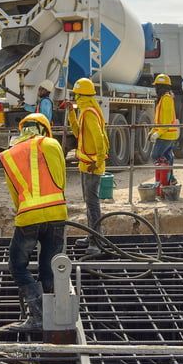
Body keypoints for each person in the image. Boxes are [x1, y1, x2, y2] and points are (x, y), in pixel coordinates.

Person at [0, 113, 67, 332]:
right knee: (49, 268)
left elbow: (14, 192)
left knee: (17, 266)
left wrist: (26, 212)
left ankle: (37, 315)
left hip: (28, 215)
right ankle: (54, 313)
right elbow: (61, 179)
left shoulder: (11, 154)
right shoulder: (52, 144)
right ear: (43, 129)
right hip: (57, 213)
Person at [68, 77, 109, 253]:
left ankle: (96, 242)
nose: (75, 98)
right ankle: (91, 235)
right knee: (89, 203)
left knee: (93, 204)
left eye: (76, 95)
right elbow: (78, 133)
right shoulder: (85, 111)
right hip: (86, 165)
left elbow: (99, 139)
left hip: (92, 166)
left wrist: (98, 162)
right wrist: (71, 113)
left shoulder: (90, 112)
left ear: (81, 96)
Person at [149, 73, 179, 195]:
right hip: (168, 134)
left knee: (155, 155)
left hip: (166, 135)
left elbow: (165, 122)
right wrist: (153, 131)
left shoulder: (166, 99)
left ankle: (167, 179)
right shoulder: (164, 98)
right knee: (168, 157)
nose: (155, 89)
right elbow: (160, 120)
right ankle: (169, 180)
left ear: (161, 87)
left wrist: (158, 133)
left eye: (157, 86)